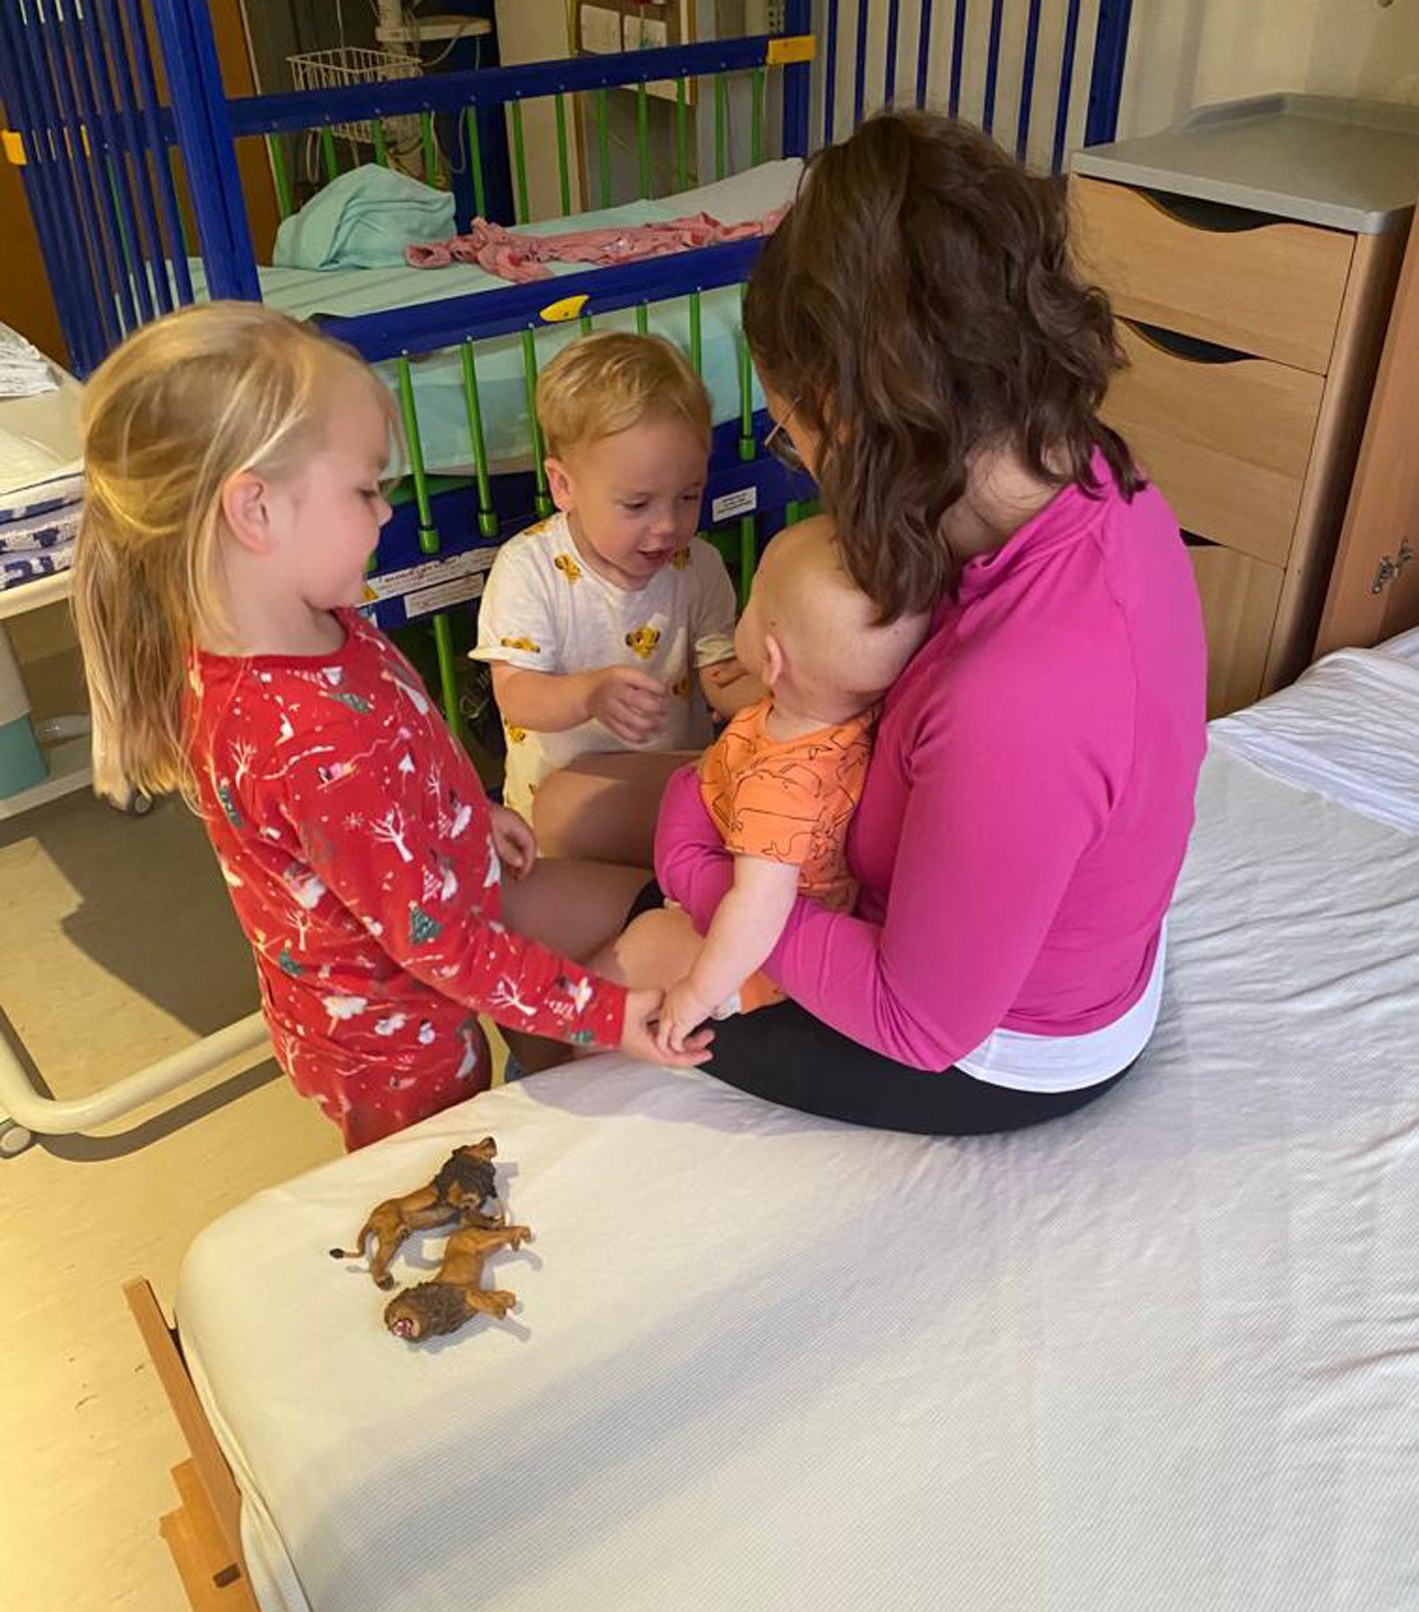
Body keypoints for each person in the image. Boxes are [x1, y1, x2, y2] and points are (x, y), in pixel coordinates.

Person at [647, 110, 1209, 1133]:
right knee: (614, 814)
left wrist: (696, 877)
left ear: (856, 418)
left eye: (790, 429)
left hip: (1004, 1045)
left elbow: (921, 1022)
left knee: (635, 949)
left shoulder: (1022, 692)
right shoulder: (1083, 469)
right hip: (1002, 922)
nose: (797, 459)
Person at [71, 304, 709, 1152]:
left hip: (423, 947)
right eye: (366, 489)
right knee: (442, 1185)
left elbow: (395, 755)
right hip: (396, 1046)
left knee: (637, 930)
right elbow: (439, 945)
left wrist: (461, 814)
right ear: (256, 512)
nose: (385, 513)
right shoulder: (307, 737)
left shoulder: (320, 620)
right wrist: (610, 1014)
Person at [605, 512, 925, 1050]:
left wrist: (699, 992)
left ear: (772, 658)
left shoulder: (781, 787)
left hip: (753, 961)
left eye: (752, 607)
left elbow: (759, 907)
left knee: (617, 966)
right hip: (725, 846)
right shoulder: (833, 708)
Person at [472, 331, 760, 863]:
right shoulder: (529, 568)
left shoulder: (700, 565)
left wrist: (773, 705)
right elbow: (516, 695)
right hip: (557, 830)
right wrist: (588, 695)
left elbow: (720, 673)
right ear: (564, 486)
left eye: (688, 496)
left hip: (665, 803)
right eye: (637, 505)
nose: (668, 526)